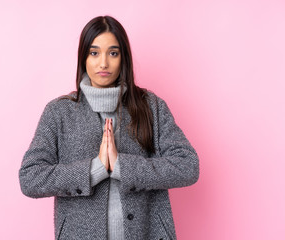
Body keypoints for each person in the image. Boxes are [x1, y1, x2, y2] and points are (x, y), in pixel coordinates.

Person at [19, 15, 199, 240]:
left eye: (113, 53)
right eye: (94, 53)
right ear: (83, 57)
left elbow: (188, 165)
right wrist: (96, 169)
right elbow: (30, 178)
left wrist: (123, 167)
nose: (103, 63)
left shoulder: (151, 106)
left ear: (123, 58)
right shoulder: (59, 112)